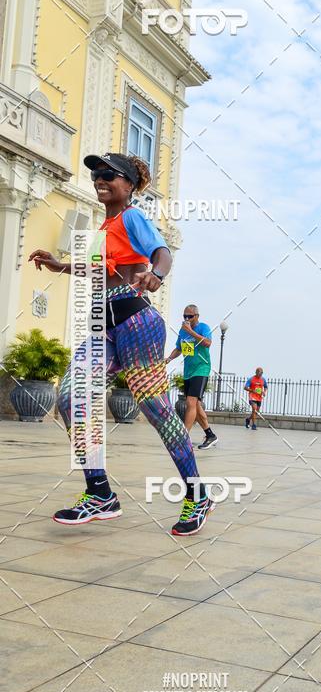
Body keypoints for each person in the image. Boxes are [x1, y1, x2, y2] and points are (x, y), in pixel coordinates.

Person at [29, 152, 214, 536]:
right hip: (106, 327)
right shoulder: (104, 227)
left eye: (108, 174)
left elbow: (161, 253)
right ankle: (100, 494)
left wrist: (158, 276)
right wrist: (58, 265)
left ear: (128, 185)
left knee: (157, 411)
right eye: (96, 174)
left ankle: (198, 495)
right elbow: (97, 269)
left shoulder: (132, 216)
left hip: (136, 322)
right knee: (69, 396)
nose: (99, 179)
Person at [166, 305, 217, 450]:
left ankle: (184, 437)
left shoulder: (203, 328)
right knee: (196, 405)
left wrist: (191, 332)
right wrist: (169, 359)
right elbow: (179, 349)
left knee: (190, 402)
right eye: (185, 316)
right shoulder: (182, 331)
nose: (187, 319)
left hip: (201, 369)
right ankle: (210, 435)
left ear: (197, 316)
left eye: (190, 316)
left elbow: (207, 343)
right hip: (188, 371)